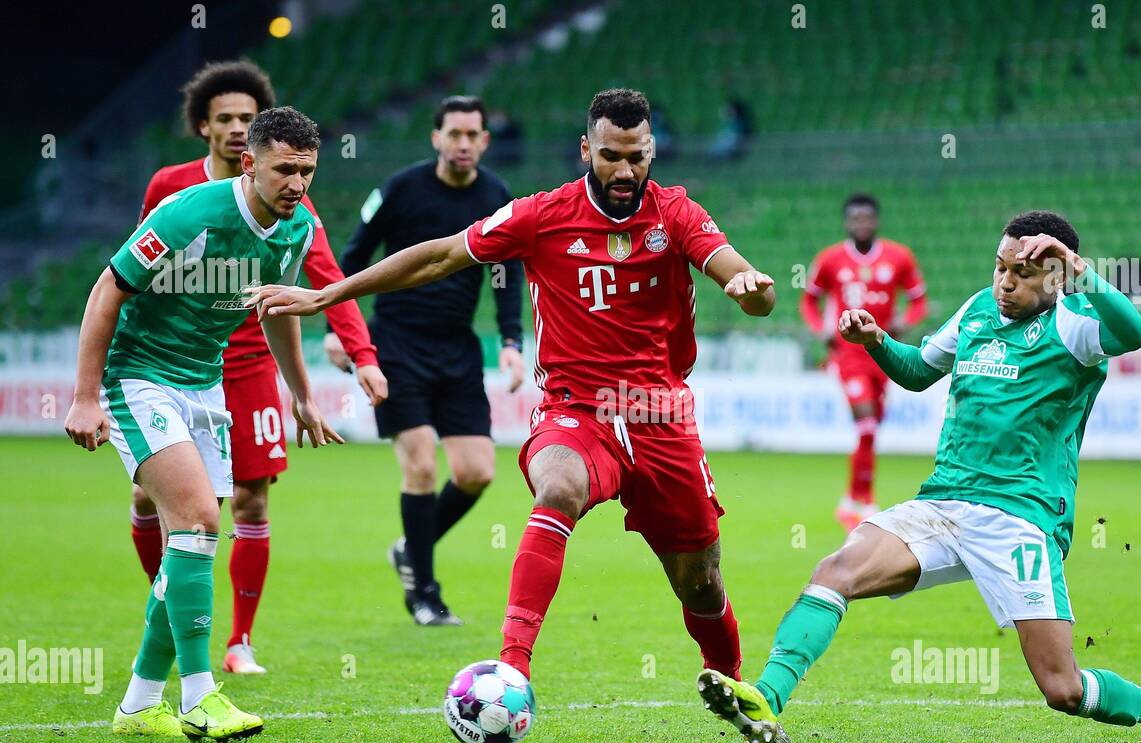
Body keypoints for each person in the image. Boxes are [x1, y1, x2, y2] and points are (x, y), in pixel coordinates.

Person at [251, 88, 777, 684]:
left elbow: (739, 274)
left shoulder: (678, 214)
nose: (624, 170)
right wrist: (330, 295)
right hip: (577, 410)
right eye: (610, 155)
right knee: (558, 485)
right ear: (586, 149)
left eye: (636, 155)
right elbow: (440, 256)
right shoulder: (540, 214)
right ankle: (510, 670)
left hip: (660, 412)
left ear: (652, 149)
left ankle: (731, 681)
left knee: (699, 578)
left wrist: (752, 287)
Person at [696, 211, 1141, 743]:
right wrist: (877, 340)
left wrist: (1080, 271)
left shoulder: (1076, 325)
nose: (1005, 282)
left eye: (1022, 274)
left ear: (1055, 277)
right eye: (1000, 268)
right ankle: (766, 700)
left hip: (1021, 518)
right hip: (944, 502)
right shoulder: (978, 309)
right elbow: (917, 371)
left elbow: (1135, 333)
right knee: (836, 572)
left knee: (1063, 688)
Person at [65, 107, 343, 740]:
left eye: (307, 172)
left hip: (205, 385)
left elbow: (277, 309)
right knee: (199, 519)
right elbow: (109, 288)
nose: (296, 185)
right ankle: (199, 696)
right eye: (284, 171)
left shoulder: (296, 230)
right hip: (138, 377)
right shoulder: (189, 213)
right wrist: (85, 397)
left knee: (188, 543)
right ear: (249, 162)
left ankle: (137, 705)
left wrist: (300, 393)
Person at [130, 60, 386, 673]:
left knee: (250, 501)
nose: (238, 127)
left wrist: (362, 355)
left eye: (248, 117)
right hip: (169, 362)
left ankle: (239, 640)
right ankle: (171, 608)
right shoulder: (173, 188)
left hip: (248, 363)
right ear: (205, 128)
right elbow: (129, 276)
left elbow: (324, 281)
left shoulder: (293, 200)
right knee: (151, 500)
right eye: (226, 119)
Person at [341, 95, 525, 626]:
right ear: (436, 137)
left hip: (458, 346)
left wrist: (511, 342)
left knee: (476, 472)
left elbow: (506, 275)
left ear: (485, 141)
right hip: (396, 341)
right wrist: (343, 328)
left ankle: (410, 549)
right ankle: (424, 591)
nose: (464, 143)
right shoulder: (402, 188)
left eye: (473, 135)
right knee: (420, 462)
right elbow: (352, 258)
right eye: (455, 133)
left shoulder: (496, 196)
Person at [801, 194, 928, 530]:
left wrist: (905, 322)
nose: (861, 223)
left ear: (876, 221)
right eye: (855, 218)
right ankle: (863, 501)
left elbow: (918, 301)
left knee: (871, 429)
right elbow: (809, 301)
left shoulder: (899, 256)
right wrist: (821, 329)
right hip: (849, 354)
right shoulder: (830, 260)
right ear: (847, 222)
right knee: (867, 424)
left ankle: (850, 499)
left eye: (867, 218)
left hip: (883, 352)